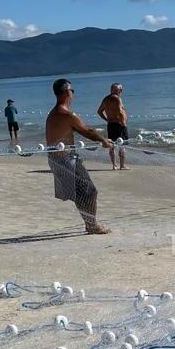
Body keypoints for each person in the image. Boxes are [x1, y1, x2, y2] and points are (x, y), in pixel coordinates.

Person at [45, 78, 112, 234]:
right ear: (67, 92)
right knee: (89, 191)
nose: (73, 93)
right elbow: (87, 131)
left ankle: (90, 224)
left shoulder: (55, 113)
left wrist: (102, 139)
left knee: (82, 193)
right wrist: (103, 140)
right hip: (65, 160)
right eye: (72, 90)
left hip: (59, 159)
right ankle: (92, 225)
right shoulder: (66, 114)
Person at [96, 83, 129, 170]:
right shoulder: (117, 99)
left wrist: (107, 119)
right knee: (122, 145)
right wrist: (123, 123)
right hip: (119, 124)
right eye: (119, 90)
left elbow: (99, 111)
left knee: (112, 145)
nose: (120, 91)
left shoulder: (106, 99)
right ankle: (122, 165)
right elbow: (120, 112)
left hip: (111, 125)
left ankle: (114, 165)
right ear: (120, 90)